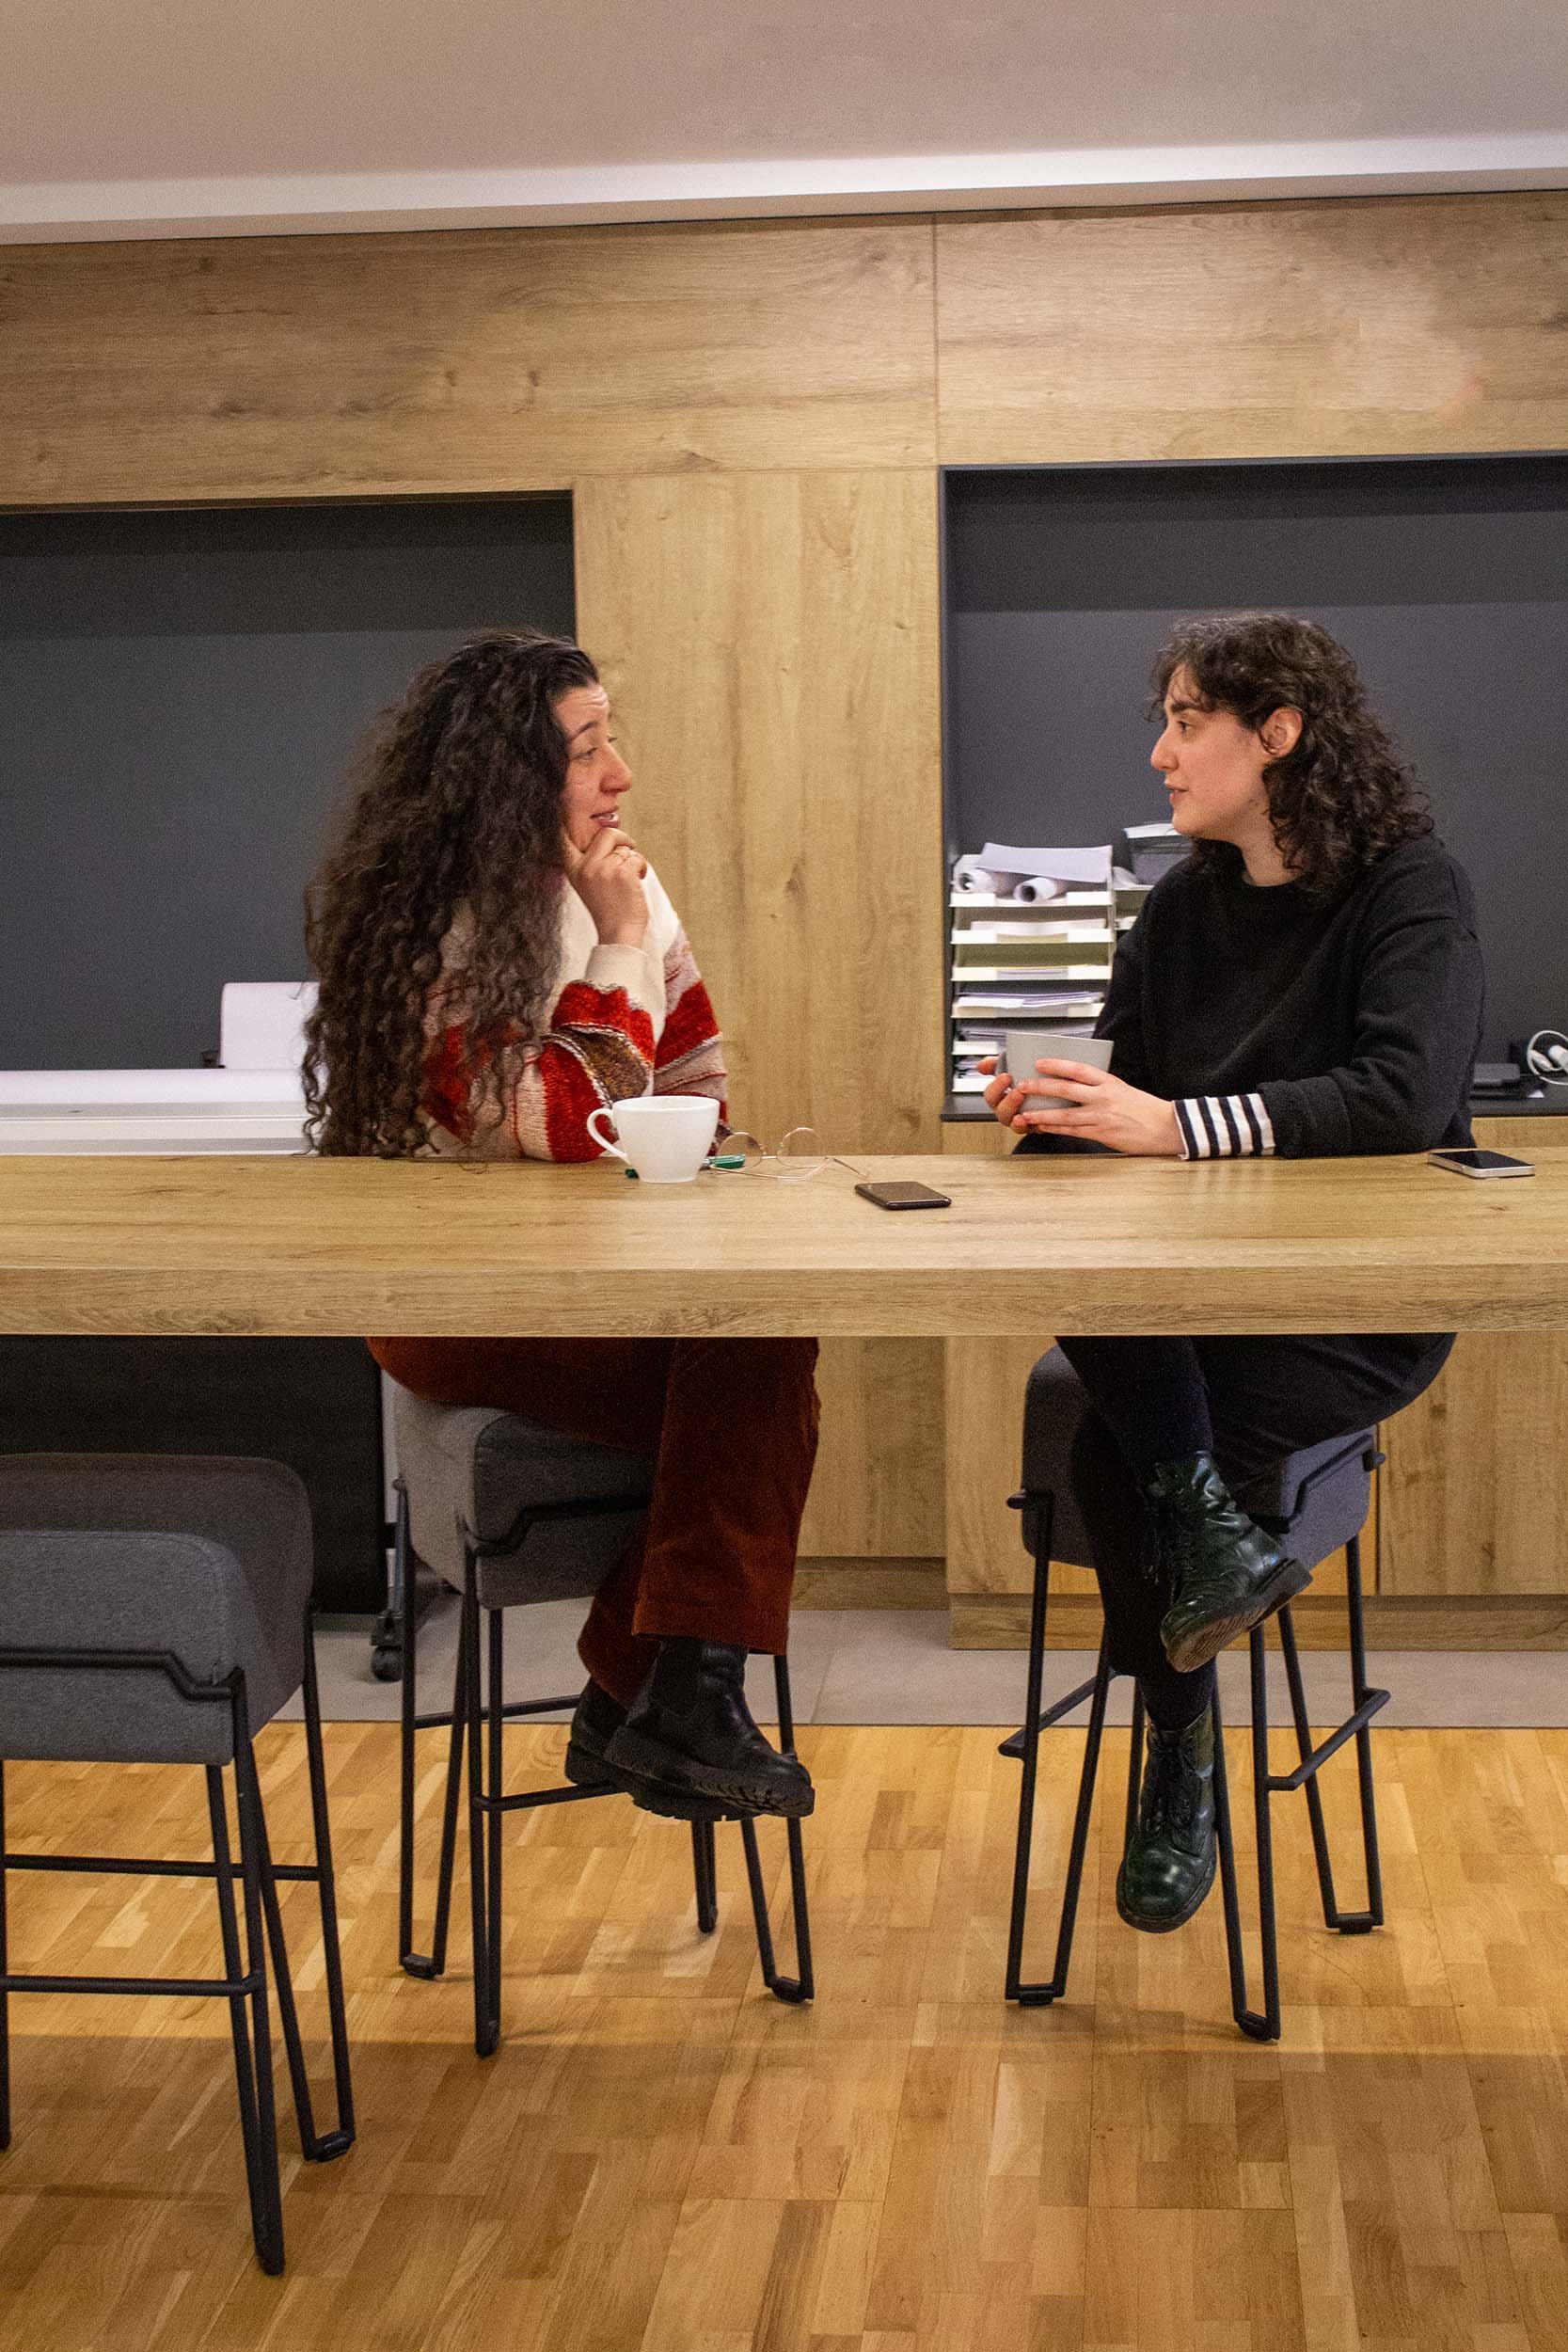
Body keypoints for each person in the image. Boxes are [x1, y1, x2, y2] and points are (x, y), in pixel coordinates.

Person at [980, 612, 1483, 1934]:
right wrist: (1062, 1106)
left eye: (1184, 721)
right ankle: (1206, 1562)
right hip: (1184, 1299)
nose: (1156, 752)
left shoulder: (1406, 888)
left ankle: (1179, 1766)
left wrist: (1169, 1126)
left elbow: (1399, 1096)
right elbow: (1129, 1089)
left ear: (1278, 734)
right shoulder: (1174, 909)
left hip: (1348, 1310)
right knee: (1097, 1304)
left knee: (1104, 1461)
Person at [303, 628, 818, 1822]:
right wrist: (621, 944)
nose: (619, 773)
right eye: (587, 750)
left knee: (760, 1348)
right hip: (456, 1307)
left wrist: (697, 1144)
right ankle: (650, 1692)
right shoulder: (434, 922)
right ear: (506, 778)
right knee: (760, 1379)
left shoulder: (616, 879)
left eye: (608, 740)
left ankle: (654, 1699)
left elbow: (692, 1077)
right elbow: (552, 1114)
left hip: (607, 1285)